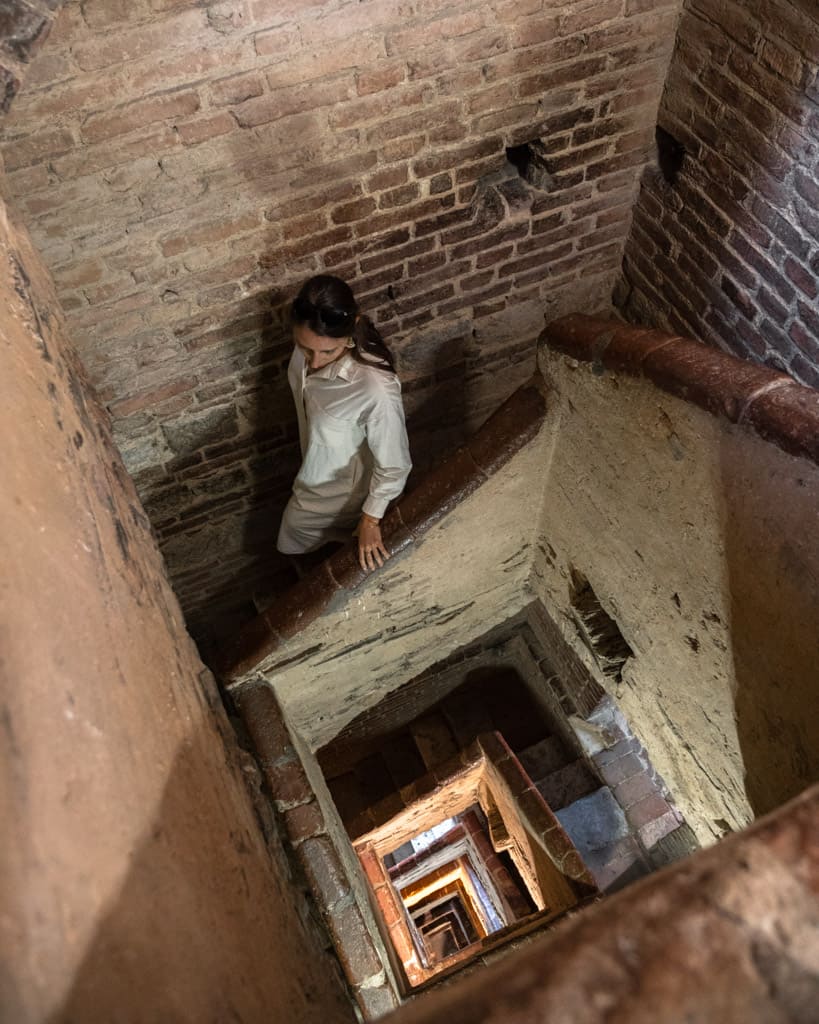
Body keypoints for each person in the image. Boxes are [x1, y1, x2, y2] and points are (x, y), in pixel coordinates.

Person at [276, 274, 412, 572]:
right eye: (305, 348)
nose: (314, 362)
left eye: (328, 352)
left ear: (350, 335)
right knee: (293, 543)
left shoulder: (374, 390)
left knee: (294, 536)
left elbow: (396, 464)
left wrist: (370, 519)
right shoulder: (309, 349)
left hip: (342, 494)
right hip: (312, 474)